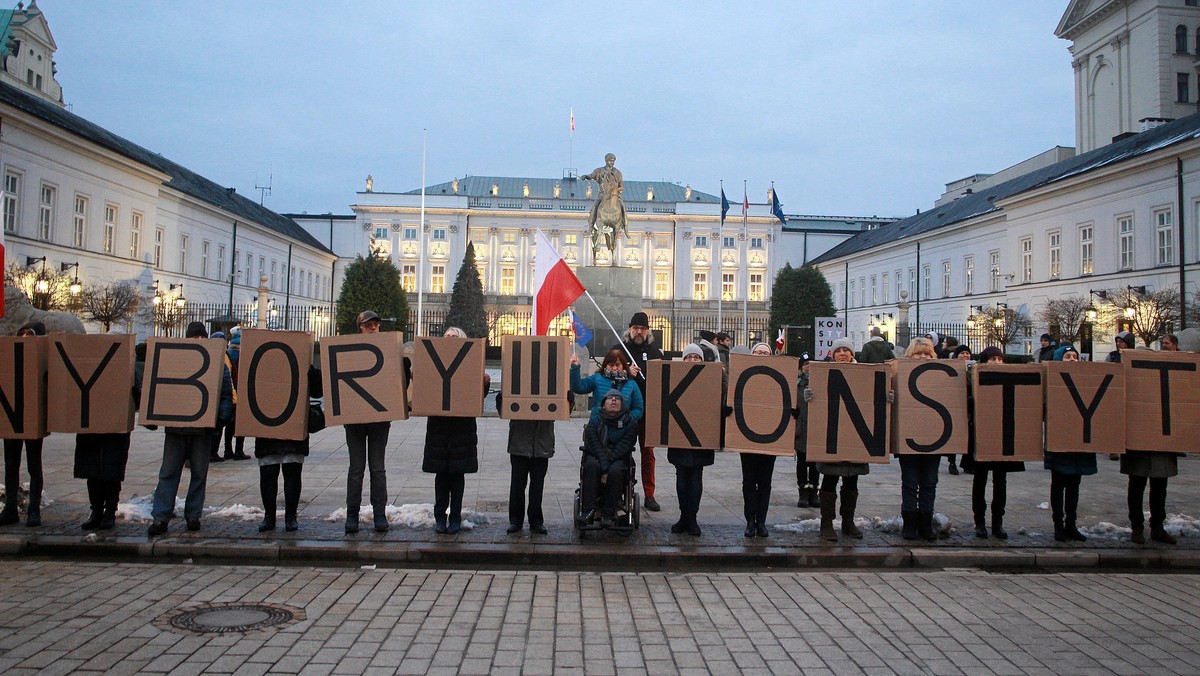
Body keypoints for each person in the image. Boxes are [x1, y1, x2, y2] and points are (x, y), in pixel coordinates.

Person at [148, 322, 234, 537]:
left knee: (199, 474)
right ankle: (161, 517)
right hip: (176, 429)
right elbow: (162, 388)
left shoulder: (217, 364)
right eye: (193, 338)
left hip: (202, 430)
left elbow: (225, 395)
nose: (197, 341)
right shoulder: (178, 361)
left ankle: (193, 515)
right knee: (168, 474)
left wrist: (219, 420)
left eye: (199, 338)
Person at [423, 327, 490, 535]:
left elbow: (476, 397)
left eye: (455, 337)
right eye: (447, 337)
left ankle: (455, 517)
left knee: (457, 478)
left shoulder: (470, 363)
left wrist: (484, 384)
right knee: (441, 477)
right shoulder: (433, 363)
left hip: (462, 429)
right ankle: (440, 518)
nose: (450, 340)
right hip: (439, 429)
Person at [74, 330, 143, 531]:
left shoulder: (129, 370)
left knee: (111, 473)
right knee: (92, 472)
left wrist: (135, 394)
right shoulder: (89, 365)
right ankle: (96, 510)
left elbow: (139, 398)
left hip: (116, 428)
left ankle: (109, 511)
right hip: (92, 426)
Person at [808, 337, 871, 542]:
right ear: (832, 355)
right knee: (829, 480)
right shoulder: (823, 374)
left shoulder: (865, 374)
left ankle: (848, 521)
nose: (842, 353)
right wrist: (809, 395)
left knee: (852, 482)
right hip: (832, 435)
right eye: (838, 350)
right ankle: (826, 523)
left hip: (855, 436)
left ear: (852, 354)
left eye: (846, 350)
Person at [1121, 339, 1180, 545]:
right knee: (1136, 486)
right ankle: (1137, 526)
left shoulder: (1167, 382)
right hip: (1138, 444)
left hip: (1161, 442)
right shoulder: (1129, 385)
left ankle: (1157, 526)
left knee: (1159, 487)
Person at [343, 310, 393, 534]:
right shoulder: (349, 350)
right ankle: (352, 514)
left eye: (375, 325)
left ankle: (379, 514)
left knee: (378, 468)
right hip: (354, 419)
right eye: (368, 325)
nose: (373, 328)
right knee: (356, 468)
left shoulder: (388, 350)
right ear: (360, 328)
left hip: (379, 419)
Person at [256, 366, 321, 532]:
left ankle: (290, 516)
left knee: (292, 473)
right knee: (268, 473)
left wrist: (313, 375)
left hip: (292, 424)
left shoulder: (301, 357)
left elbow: (317, 392)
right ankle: (269, 516)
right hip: (267, 425)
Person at [499, 389, 571, 535]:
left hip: (541, 444)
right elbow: (503, 411)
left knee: (537, 485)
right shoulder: (518, 385)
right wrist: (503, 396)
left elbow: (563, 411)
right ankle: (516, 520)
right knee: (518, 484)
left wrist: (568, 399)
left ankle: (536, 520)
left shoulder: (550, 386)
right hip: (520, 443)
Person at [970, 346, 1024, 539]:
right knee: (980, 481)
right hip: (981, 436)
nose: (997, 363)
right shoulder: (973, 380)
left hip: (1003, 436)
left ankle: (998, 522)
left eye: (999, 359)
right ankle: (980, 522)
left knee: (1001, 482)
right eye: (992, 359)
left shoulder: (1010, 380)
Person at [1044, 344, 1093, 542]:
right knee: (1059, 483)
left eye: (1075, 356)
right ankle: (1058, 524)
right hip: (1060, 437)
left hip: (1079, 437)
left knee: (1075, 484)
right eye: (1067, 357)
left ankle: (1071, 524)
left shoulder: (1086, 380)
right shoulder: (1052, 381)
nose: (1072, 360)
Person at [1, 321, 48, 527]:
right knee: (11, 465)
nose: (24, 338)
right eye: (21, 334)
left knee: (33, 465)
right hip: (12, 418)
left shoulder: (41, 359)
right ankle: (10, 507)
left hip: (30, 419)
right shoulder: (8, 356)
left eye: (29, 335)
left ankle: (33, 510)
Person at [616, 311, 663, 512]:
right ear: (630, 329)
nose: (638, 331)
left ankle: (649, 494)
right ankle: (619, 491)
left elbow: (663, 379)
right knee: (621, 452)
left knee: (648, 453)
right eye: (635, 328)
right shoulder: (619, 349)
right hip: (624, 412)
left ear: (647, 331)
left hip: (647, 411)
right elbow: (607, 373)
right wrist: (625, 372)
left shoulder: (654, 352)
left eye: (642, 328)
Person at [667, 345, 716, 536]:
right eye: (689, 357)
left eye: (697, 357)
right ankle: (683, 516)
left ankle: (692, 517)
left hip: (700, 438)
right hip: (680, 436)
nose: (693, 360)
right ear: (683, 359)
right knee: (681, 479)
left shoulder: (710, 378)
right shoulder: (673, 376)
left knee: (696, 478)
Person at [898, 338, 941, 541]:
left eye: (927, 354)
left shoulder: (941, 376)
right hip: (909, 438)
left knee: (929, 482)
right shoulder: (900, 375)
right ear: (910, 356)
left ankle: (925, 523)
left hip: (935, 438)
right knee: (910, 482)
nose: (923, 357)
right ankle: (909, 524)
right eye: (918, 353)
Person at [580, 389, 637, 528]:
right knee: (592, 466)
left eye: (617, 398)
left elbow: (623, 448)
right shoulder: (594, 422)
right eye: (610, 398)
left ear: (622, 404)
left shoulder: (630, 423)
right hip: (597, 456)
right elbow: (594, 446)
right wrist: (604, 469)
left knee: (616, 471)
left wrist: (606, 470)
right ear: (603, 404)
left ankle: (608, 513)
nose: (613, 400)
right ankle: (589, 510)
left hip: (618, 458)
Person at [740, 342, 778, 537]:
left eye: (765, 352)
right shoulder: (743, 374)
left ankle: (761, 521)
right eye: (758, 352)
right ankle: (749, 520)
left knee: (765, 481)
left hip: (771, 438)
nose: (762, 354)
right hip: (747, 437)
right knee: (748, 481)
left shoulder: (778, 377)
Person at [570, 348, 644, 427]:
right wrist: (575, 368)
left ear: (623, 365)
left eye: (618, 365)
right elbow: (578, 387)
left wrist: (627, 419)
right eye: (611, 365)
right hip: (599, 427)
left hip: (623, 429)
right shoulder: (597, 378)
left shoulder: (631, 384)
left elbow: (638, 408)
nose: (614, 368)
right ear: (605, 365)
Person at [582, 152, 627, 256]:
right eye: (610, 160)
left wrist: (615, 189)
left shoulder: (618, 173)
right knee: (595, 207)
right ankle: (590, 227)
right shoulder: (599, 171)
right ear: (606, 161)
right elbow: (592, 176)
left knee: (622, 207)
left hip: (615, 196)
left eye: (613, 160)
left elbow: (622, 187)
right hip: (602, 196)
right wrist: (586, 176)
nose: (612, 162)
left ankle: (625, 226)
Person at [794, 353, 821, 507]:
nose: (808, 367)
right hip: (801, 427)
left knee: (815, 462)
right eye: (805, 364)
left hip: (816, 426)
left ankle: (814, 491)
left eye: (811, 364)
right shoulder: (796, 383)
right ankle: (803, 492)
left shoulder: (820, 381)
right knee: (802, 462)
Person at [222, 332, 249, 460]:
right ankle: (239, 450)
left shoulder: (227, 355)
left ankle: (228, 449)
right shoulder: (244, 355)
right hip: (240, 391)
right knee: (240, 423)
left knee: (229, 423)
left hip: (229, 392)